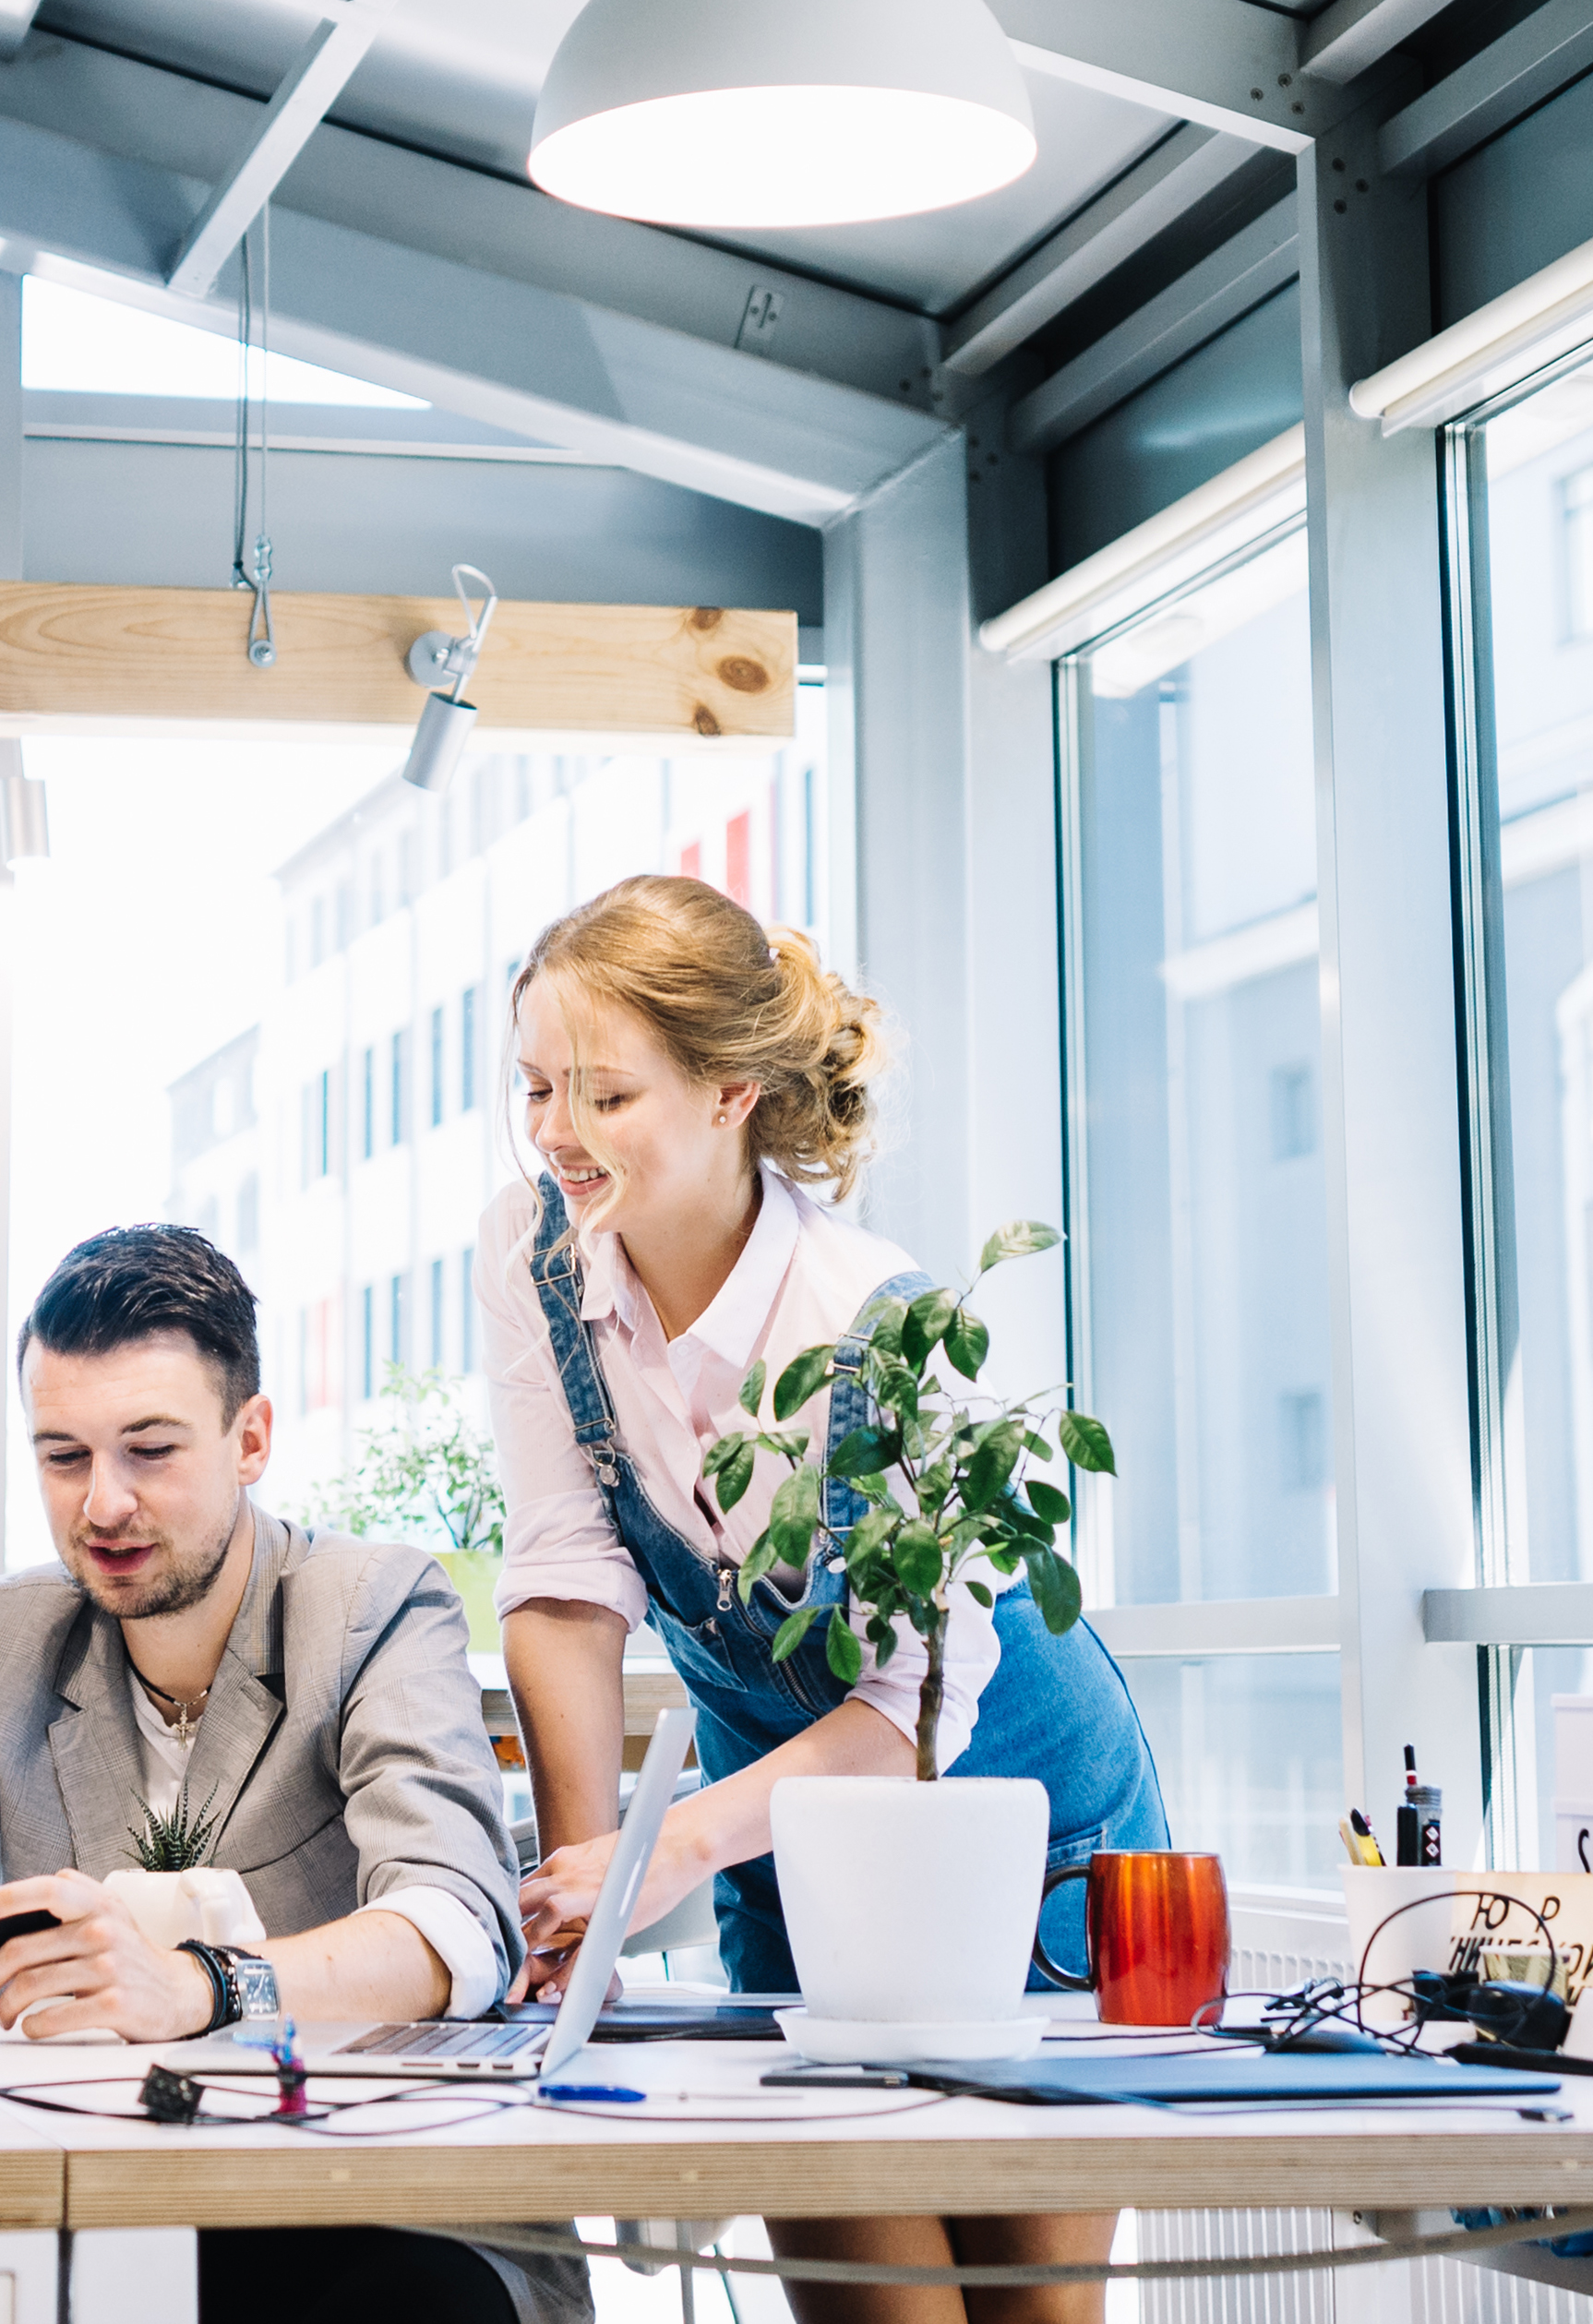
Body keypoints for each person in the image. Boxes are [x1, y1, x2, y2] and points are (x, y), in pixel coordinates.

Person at [480, 875, 1169, 2324]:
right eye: (536, 1084)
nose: (556, 1133)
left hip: (1018, 1811)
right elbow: (560, 1575)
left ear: (731, 1090)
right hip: (782, 1830)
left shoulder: (874, 1319)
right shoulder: (533, 1250)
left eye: (606, 1093)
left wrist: (666, 1847)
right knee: (869, 2303)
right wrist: (584, 1888)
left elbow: (912, 1705)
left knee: (1027, 2304)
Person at [0, 1225, 538, 2323]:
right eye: (62, 1455)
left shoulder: (374, 1608)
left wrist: (205, 1983)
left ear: (249, 1437)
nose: (99, 1504)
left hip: (372, 2210)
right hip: (99, 2205)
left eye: (149, 1450)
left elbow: (456, 1923)